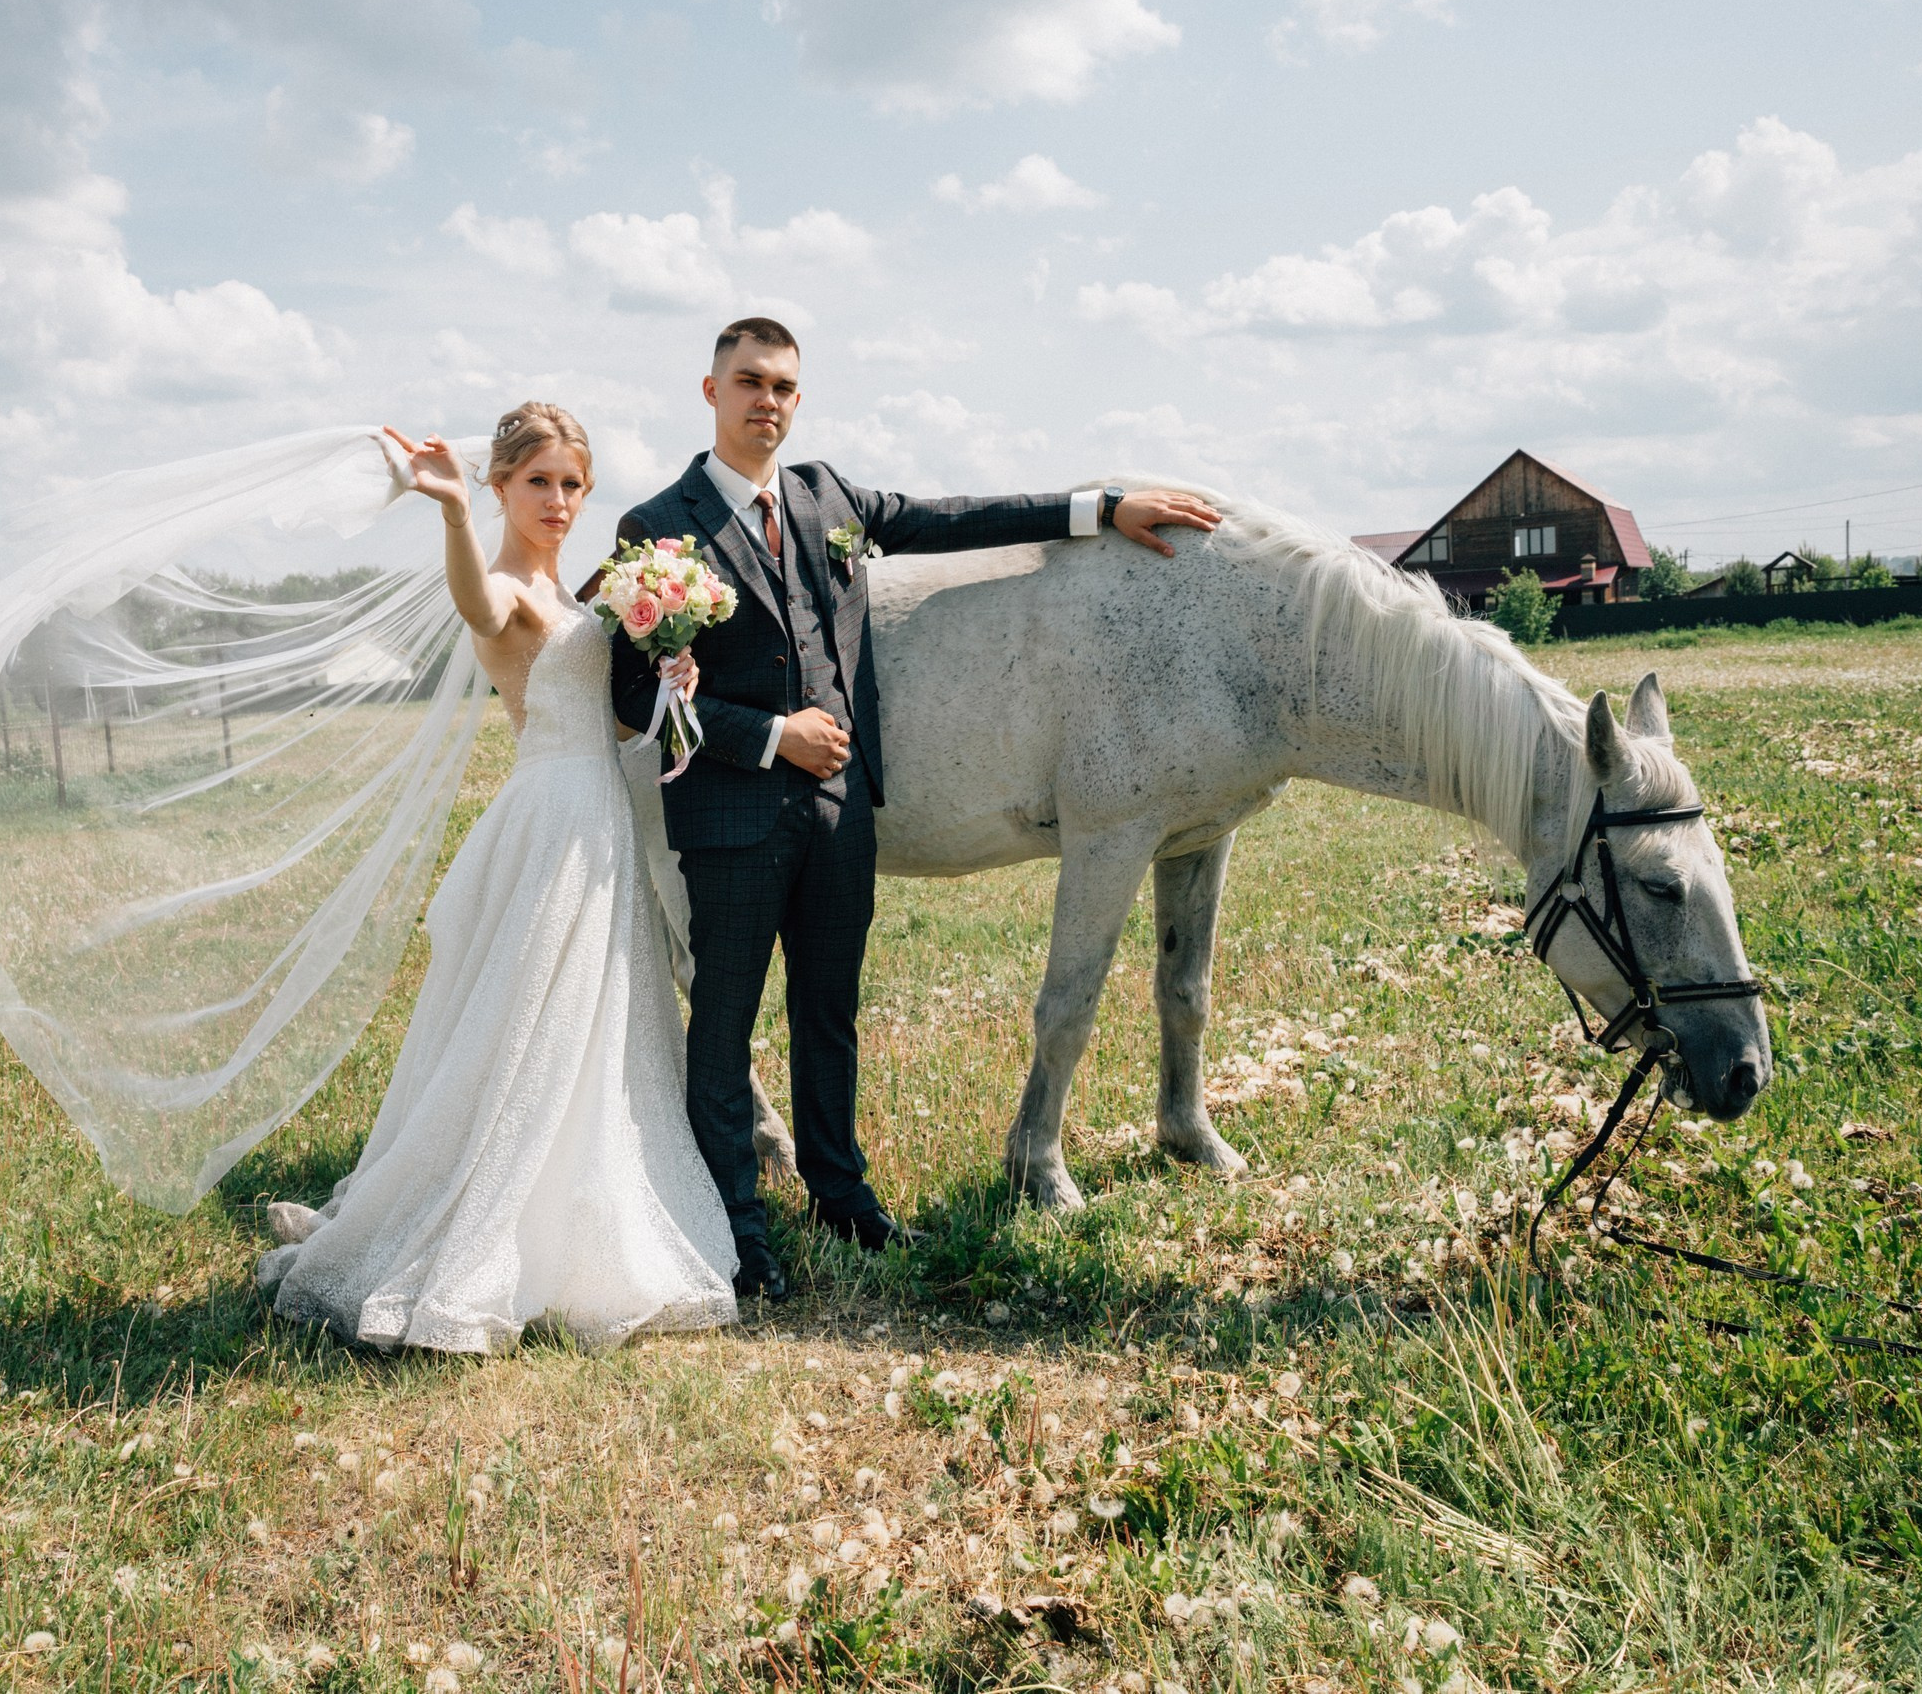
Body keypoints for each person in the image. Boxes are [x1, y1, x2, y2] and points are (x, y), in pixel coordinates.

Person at [607, 316, 1220, 1299]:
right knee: (723, 1032)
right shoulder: (657, 527)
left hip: (841, 813)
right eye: (749, 381)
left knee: (829, 1016)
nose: (767, 400)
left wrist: (1103, 506)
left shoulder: (827, 497)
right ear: (710, 390)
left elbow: (956, 519)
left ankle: (844, 1203)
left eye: (784, 387)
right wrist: (771, 738)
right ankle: (738, 1234)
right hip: (728, 818)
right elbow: (636, 697)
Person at [255, 404, 739, 1352]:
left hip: (599, 807)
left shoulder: (573, 596)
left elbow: (616, 723)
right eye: (537, 483)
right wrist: (446, 513)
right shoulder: (510, 586)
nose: (558, 501)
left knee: (602, 1017)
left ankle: (582, 1213)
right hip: (551, 819)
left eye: (571, 485)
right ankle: (476, 1229)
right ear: (503, 487)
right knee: (531, 1023)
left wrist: (673, 679)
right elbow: (476, 610)